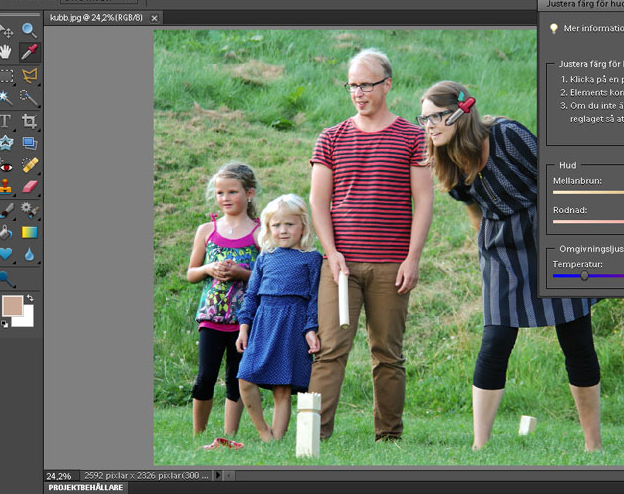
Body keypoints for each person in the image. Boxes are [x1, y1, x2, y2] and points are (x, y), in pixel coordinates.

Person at [419, 81, 603, 451]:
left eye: (437, 116)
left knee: (576, 339)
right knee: (495, 341)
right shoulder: (447, 159)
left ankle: (593, 444)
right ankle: (479, 446)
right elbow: (474, 209)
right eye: (424, 119)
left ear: (461, 112)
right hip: (501, 245)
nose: (430, 126)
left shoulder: (507, 135)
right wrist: (487, 255)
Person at [308, 48, 433, 441]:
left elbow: (424, 202)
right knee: (329, 351)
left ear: (387, 84)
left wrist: (412, 259)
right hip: (340, 267)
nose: (357, 93)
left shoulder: (414, 137)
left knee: (388, 355)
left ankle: (389, 437)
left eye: (365, 85)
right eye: (352, 85)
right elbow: (318, 202)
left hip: (391, 266)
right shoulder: (330, 138)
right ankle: (314, 435)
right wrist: (331, 253)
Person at [236, 194, 323, 442]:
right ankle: (264, 432)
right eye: (276, 225)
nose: (283, 230)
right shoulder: (264, 258)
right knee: (245, 377)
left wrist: (310, 328)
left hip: (293, 324)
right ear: (268, 228)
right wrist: (244, 328)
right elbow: (251, 295)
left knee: (282, 387)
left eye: (289, 224)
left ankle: (276, 440)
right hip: (264, 323)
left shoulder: (312, 258)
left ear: (303, 226)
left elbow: (315, 298)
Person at [186, 162, 260, 436]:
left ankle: (229, 437)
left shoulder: (260, 232)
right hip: (211, 317)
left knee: (235, 378)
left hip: (244, 321)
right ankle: (199, 434)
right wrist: (208, 268)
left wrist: (242, 273)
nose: (225, 198)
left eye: (232, 192)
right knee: (205, 376)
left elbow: (267, 277)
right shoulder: (207, 230)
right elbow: (191, 274)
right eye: (220, 193)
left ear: (249, 193)